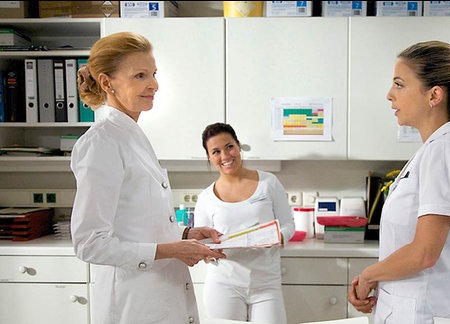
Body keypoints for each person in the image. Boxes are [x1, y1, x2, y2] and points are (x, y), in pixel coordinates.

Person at [70, 31, 226, 324]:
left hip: (161, 295)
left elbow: (134, 221)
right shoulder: (101, 143)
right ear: (107, 82)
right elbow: (88, 242)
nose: (153, 84)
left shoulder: (131, 136)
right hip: (134, 302)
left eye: (153, 74)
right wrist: (171, 250)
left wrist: (183, 237)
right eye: (140, 75)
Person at [348, 40, 450, 323]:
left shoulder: (446, 150)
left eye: (399, 84)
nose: (389, 95)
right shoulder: (434, 150)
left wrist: (369, 275)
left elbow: (424, 253)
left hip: (425, 313)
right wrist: (379, 278)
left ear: (434, 95)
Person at [193, 122, 296, 324]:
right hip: (223, 284)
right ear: (209, 157)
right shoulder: (206, 197)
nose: (225, 156)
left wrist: (277, 236)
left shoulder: (268, 183)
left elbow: (288, 224)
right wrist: (208, 253)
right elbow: (202, 243)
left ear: (238, 146)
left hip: (266, 284)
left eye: (229, 146)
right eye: (216, 151)